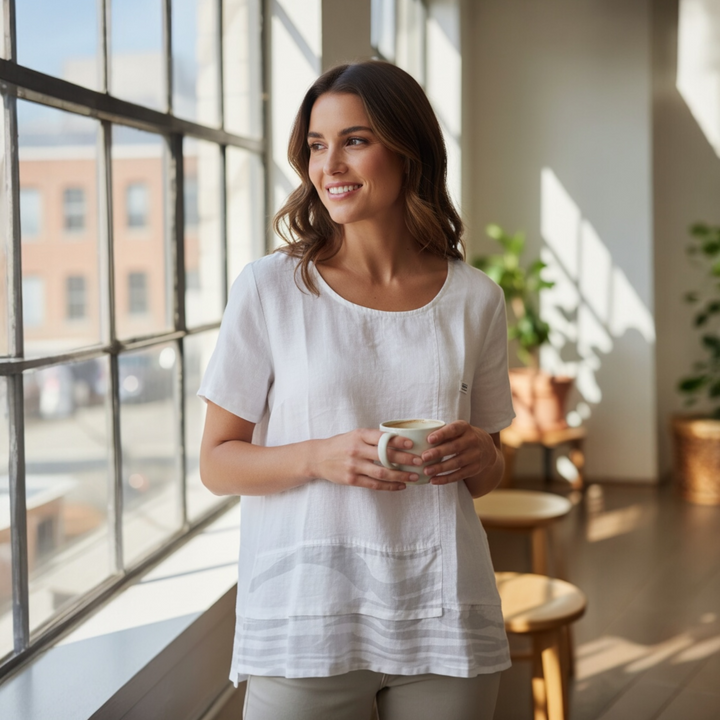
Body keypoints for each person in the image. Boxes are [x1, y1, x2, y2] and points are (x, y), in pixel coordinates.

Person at [198, 60, 515, 720]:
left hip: (443, 617)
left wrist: (486, 458)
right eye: (317, 145)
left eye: (355, 140)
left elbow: (485, 468)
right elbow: (218, 461)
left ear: (409, 150)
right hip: (305, 624)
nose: (329, 166)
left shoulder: (475, 300)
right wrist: (319, 456)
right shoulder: (270, 290)